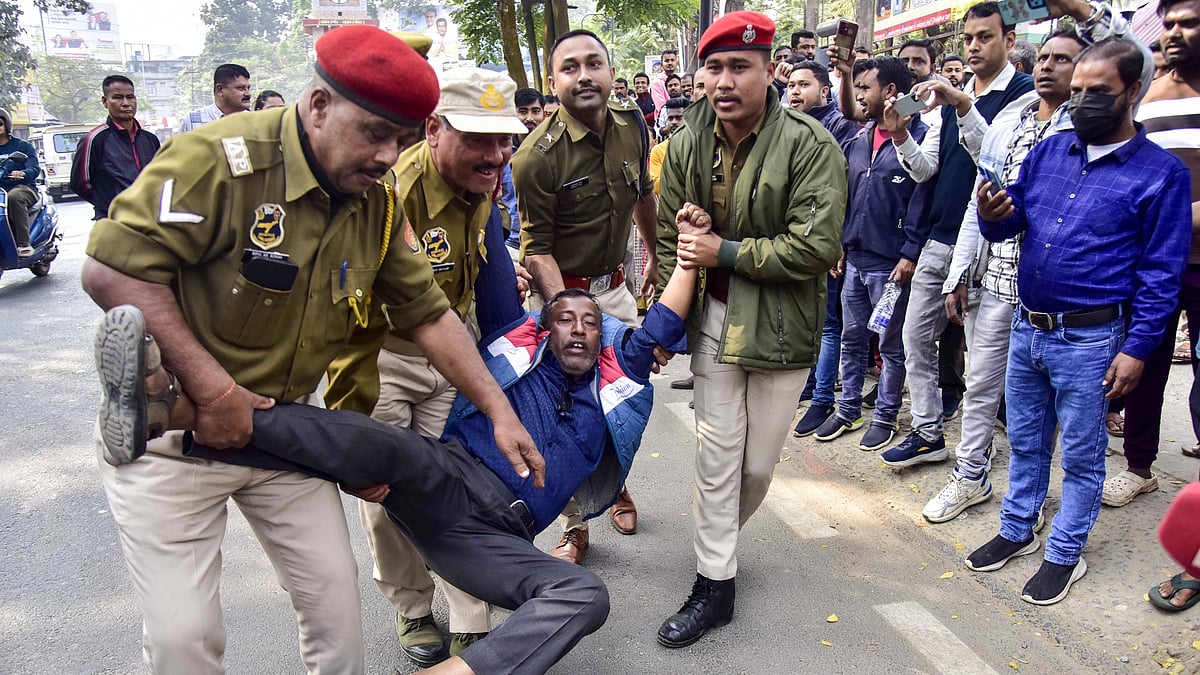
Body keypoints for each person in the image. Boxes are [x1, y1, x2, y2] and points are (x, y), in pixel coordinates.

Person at [80, 26, 541, 673]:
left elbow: (428, 312)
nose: (389, 155)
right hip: (172, 441)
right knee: (186, 644)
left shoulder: (373, 204)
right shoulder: (217, 159)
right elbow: (110, 270)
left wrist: (499, 408)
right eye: (375, 133)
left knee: (338, 626)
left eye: (403, 140)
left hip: (285, 440)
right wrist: (215, 391)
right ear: (319, 105)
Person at [92, 203, 699, 675]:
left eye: (590, 323)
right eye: (563, 318)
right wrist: (490, 188)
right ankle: (168, 413)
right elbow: (486, 250)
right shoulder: (515, 346)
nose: (577, 330)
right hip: (446, 475)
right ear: (542, 326)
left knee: (585, 595)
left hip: (490, 539)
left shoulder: (619, 381)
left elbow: (665, 324)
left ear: (606, 339)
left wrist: (692, 259)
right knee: (382, 443)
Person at [971, 36, 1191, 605]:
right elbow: (1011, 222)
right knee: (1025, 440)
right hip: (1028, 326)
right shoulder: (1052, 151)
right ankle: (1018, 529)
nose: (1084, 102)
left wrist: (1138, 349)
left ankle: (1064, 554)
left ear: (1134, 92)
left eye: (1100, 92)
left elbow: (1161, 274)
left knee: (1085, 455)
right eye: (1079, 93)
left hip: (1093, 339)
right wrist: (993, 215)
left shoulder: (1162, 175)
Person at [320, 68, 529, 668]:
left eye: (504, 139)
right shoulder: (390, 192)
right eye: (478, 139)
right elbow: (348, 301)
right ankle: (412, 608)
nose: (495, 155)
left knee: (453, 488)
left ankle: (469, 614)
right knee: (388, 496)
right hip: (382, 359)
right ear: (434, 130)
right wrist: (348, 413)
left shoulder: (482, 183)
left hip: (450, 357)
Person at [654, 11, 846, 647]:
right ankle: (715, 584)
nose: (725, 81)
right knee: (716, 456)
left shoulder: (811, 143)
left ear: (771, 70)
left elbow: (816, 246)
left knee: (758, 466)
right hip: (713, 317)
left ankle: (716, 541)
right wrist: (674, 289)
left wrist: (725, 251)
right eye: (714, 68)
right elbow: (665, 234)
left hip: (783, 325)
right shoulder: (685, 142)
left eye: (740, 67)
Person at [926, 26, 1092, 524]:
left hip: (1056, 293)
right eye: (1043, 57)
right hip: (997, 283)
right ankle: (970, 474)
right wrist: (959, 274)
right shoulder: (1011, 120)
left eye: (1062, 59)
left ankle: (1032, 497)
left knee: (1043, 408)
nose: (1046, 66)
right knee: (982, 385)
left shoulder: (1088, 126)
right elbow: (983, 198)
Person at [511, 29, 658, 563]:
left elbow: (642, 192)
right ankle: (575, 524)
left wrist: (655, 255)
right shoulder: (535, 157)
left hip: (615, 293)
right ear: (555, 83)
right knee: (568, 412)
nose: (584, 75)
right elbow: (536, 249)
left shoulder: (631, 125)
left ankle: (613, 486)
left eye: (593, 63)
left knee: (622, 402)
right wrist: (568, 316)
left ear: (611, 72)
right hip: (561, 305)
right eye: (569, 68)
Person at [877, 1, 1035, 468]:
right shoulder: (951, 95)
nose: (973, 46)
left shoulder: (1024, 94)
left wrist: (964, 105)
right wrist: (901, 134)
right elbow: (926, 171)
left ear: (1008, 40)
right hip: (939, 236)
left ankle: (977, 454)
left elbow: (1000, 156)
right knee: (913, 335)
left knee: (983, 359)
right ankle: (928, 431)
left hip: (993, 243)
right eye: (968, 38)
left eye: (984, 37)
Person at [812, 57, 930, 452]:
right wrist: (839, 244)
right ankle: (848, 410)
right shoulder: (860, 136)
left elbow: (921, 200)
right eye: (856, 86)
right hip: (855, 257)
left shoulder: (921, 138)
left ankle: (885, 415)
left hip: (891, 264)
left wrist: (909, 252)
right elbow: (845, 195)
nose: (859, 95)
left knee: (892, 346)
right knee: (851, 338)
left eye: (865, 87)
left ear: (890, 92)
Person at [1109, 0, 1200, 512]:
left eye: (1189, 23)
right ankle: (1138, 467)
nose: (1174, 33)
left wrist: (1169, 219)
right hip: (1154, 268)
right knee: (1144, 365)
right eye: (1168, 24)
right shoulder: (1150, 98)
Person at [69, 75, 161, 221]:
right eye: (118, 97)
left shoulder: (150, 140)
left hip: (150, 218)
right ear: (105, 101)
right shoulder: (95, 139)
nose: (126, 103)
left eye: (130, 97)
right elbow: (79, 183)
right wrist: (107, 203)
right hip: (113, 220)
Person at [0, 108, 41, 257]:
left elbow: (34, 168)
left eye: (0, 124)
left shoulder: (22, 146)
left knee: (14, 197)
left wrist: (23, 173)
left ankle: (23, 244)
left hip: (23, 188)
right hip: (0, 192)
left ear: (7, 125)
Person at [178, 63, 252, 132]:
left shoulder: (254, 122)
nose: (248, 94)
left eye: (248, 88)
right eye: (240, 88)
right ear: (219, 90)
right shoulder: (192, 120)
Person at [648, 97, 689, 192]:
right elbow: (656, 186)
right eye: (670, 118)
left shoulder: (698, 146)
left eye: (679, 118)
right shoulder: (658, 150)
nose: (674, 122)